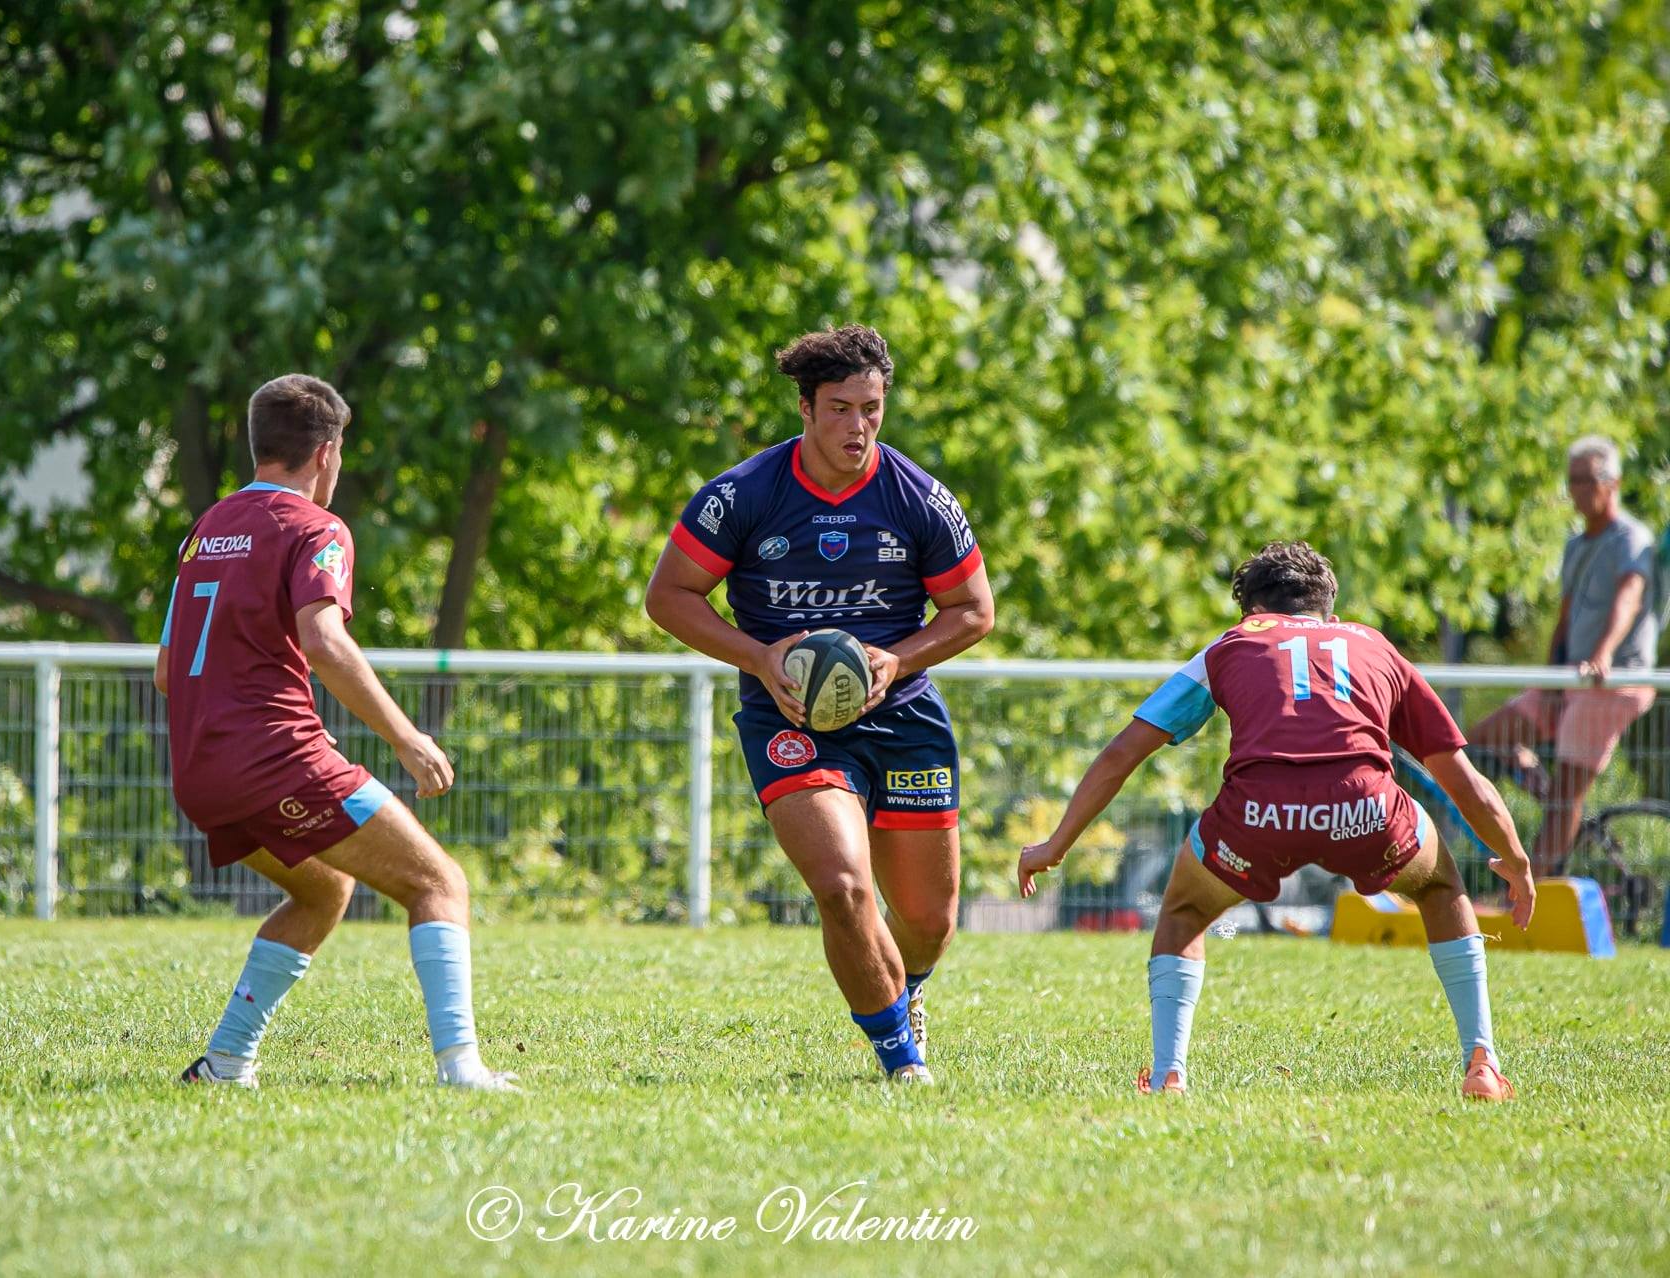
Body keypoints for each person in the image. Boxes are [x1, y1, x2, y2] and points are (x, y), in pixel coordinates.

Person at [1017, 541, 1537, 1102]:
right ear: (1329, 613)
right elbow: (1461, 777)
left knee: (1187, 910)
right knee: (1439, 886)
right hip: (1364, 810)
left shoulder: (1231, 644)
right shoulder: (1373, 646)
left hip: (1258, 816)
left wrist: (1055, 844)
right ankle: (1481, 1061)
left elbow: (1122, 754)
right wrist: (1516, 860)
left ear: (1252, 612)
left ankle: (1169, 1075)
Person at [644, 325, 994, 1084]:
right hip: (790, 719)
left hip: (902, 714)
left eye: (871, 408)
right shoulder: (743, 495)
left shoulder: (919, 497)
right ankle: (901, 1059)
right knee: (841, 886)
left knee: (929, 925)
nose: (858, 426)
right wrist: (760, 657)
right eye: (839, 408)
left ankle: (908, 986)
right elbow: (668, 596)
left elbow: (973, 611)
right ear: (805, 408)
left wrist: (897, 658)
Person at [157, 374, 516, 1091]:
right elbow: (323, 641)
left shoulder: (208, 529)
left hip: (199, 770)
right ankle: (461, 1068)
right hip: (275, 759)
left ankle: (226, 1063)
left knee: (324, 893)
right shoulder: (315, 528)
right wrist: (407, 738)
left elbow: (168, 670)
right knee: (438, 883)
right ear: (326, 453)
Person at [1468, 436, 1658, 875]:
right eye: (1572, 481)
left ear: (1613, 484)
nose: (1577, 490)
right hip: (1572, 679)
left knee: (1565, 797)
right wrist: (1554, 680)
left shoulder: (1631, 538)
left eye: (1587, 480)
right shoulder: (1576, 545)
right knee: (1481, 739)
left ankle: (1533, 891)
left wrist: (1602, 656)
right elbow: (1566, 617)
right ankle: (1557, 799)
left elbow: (1629, 598)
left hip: (1611, 681)